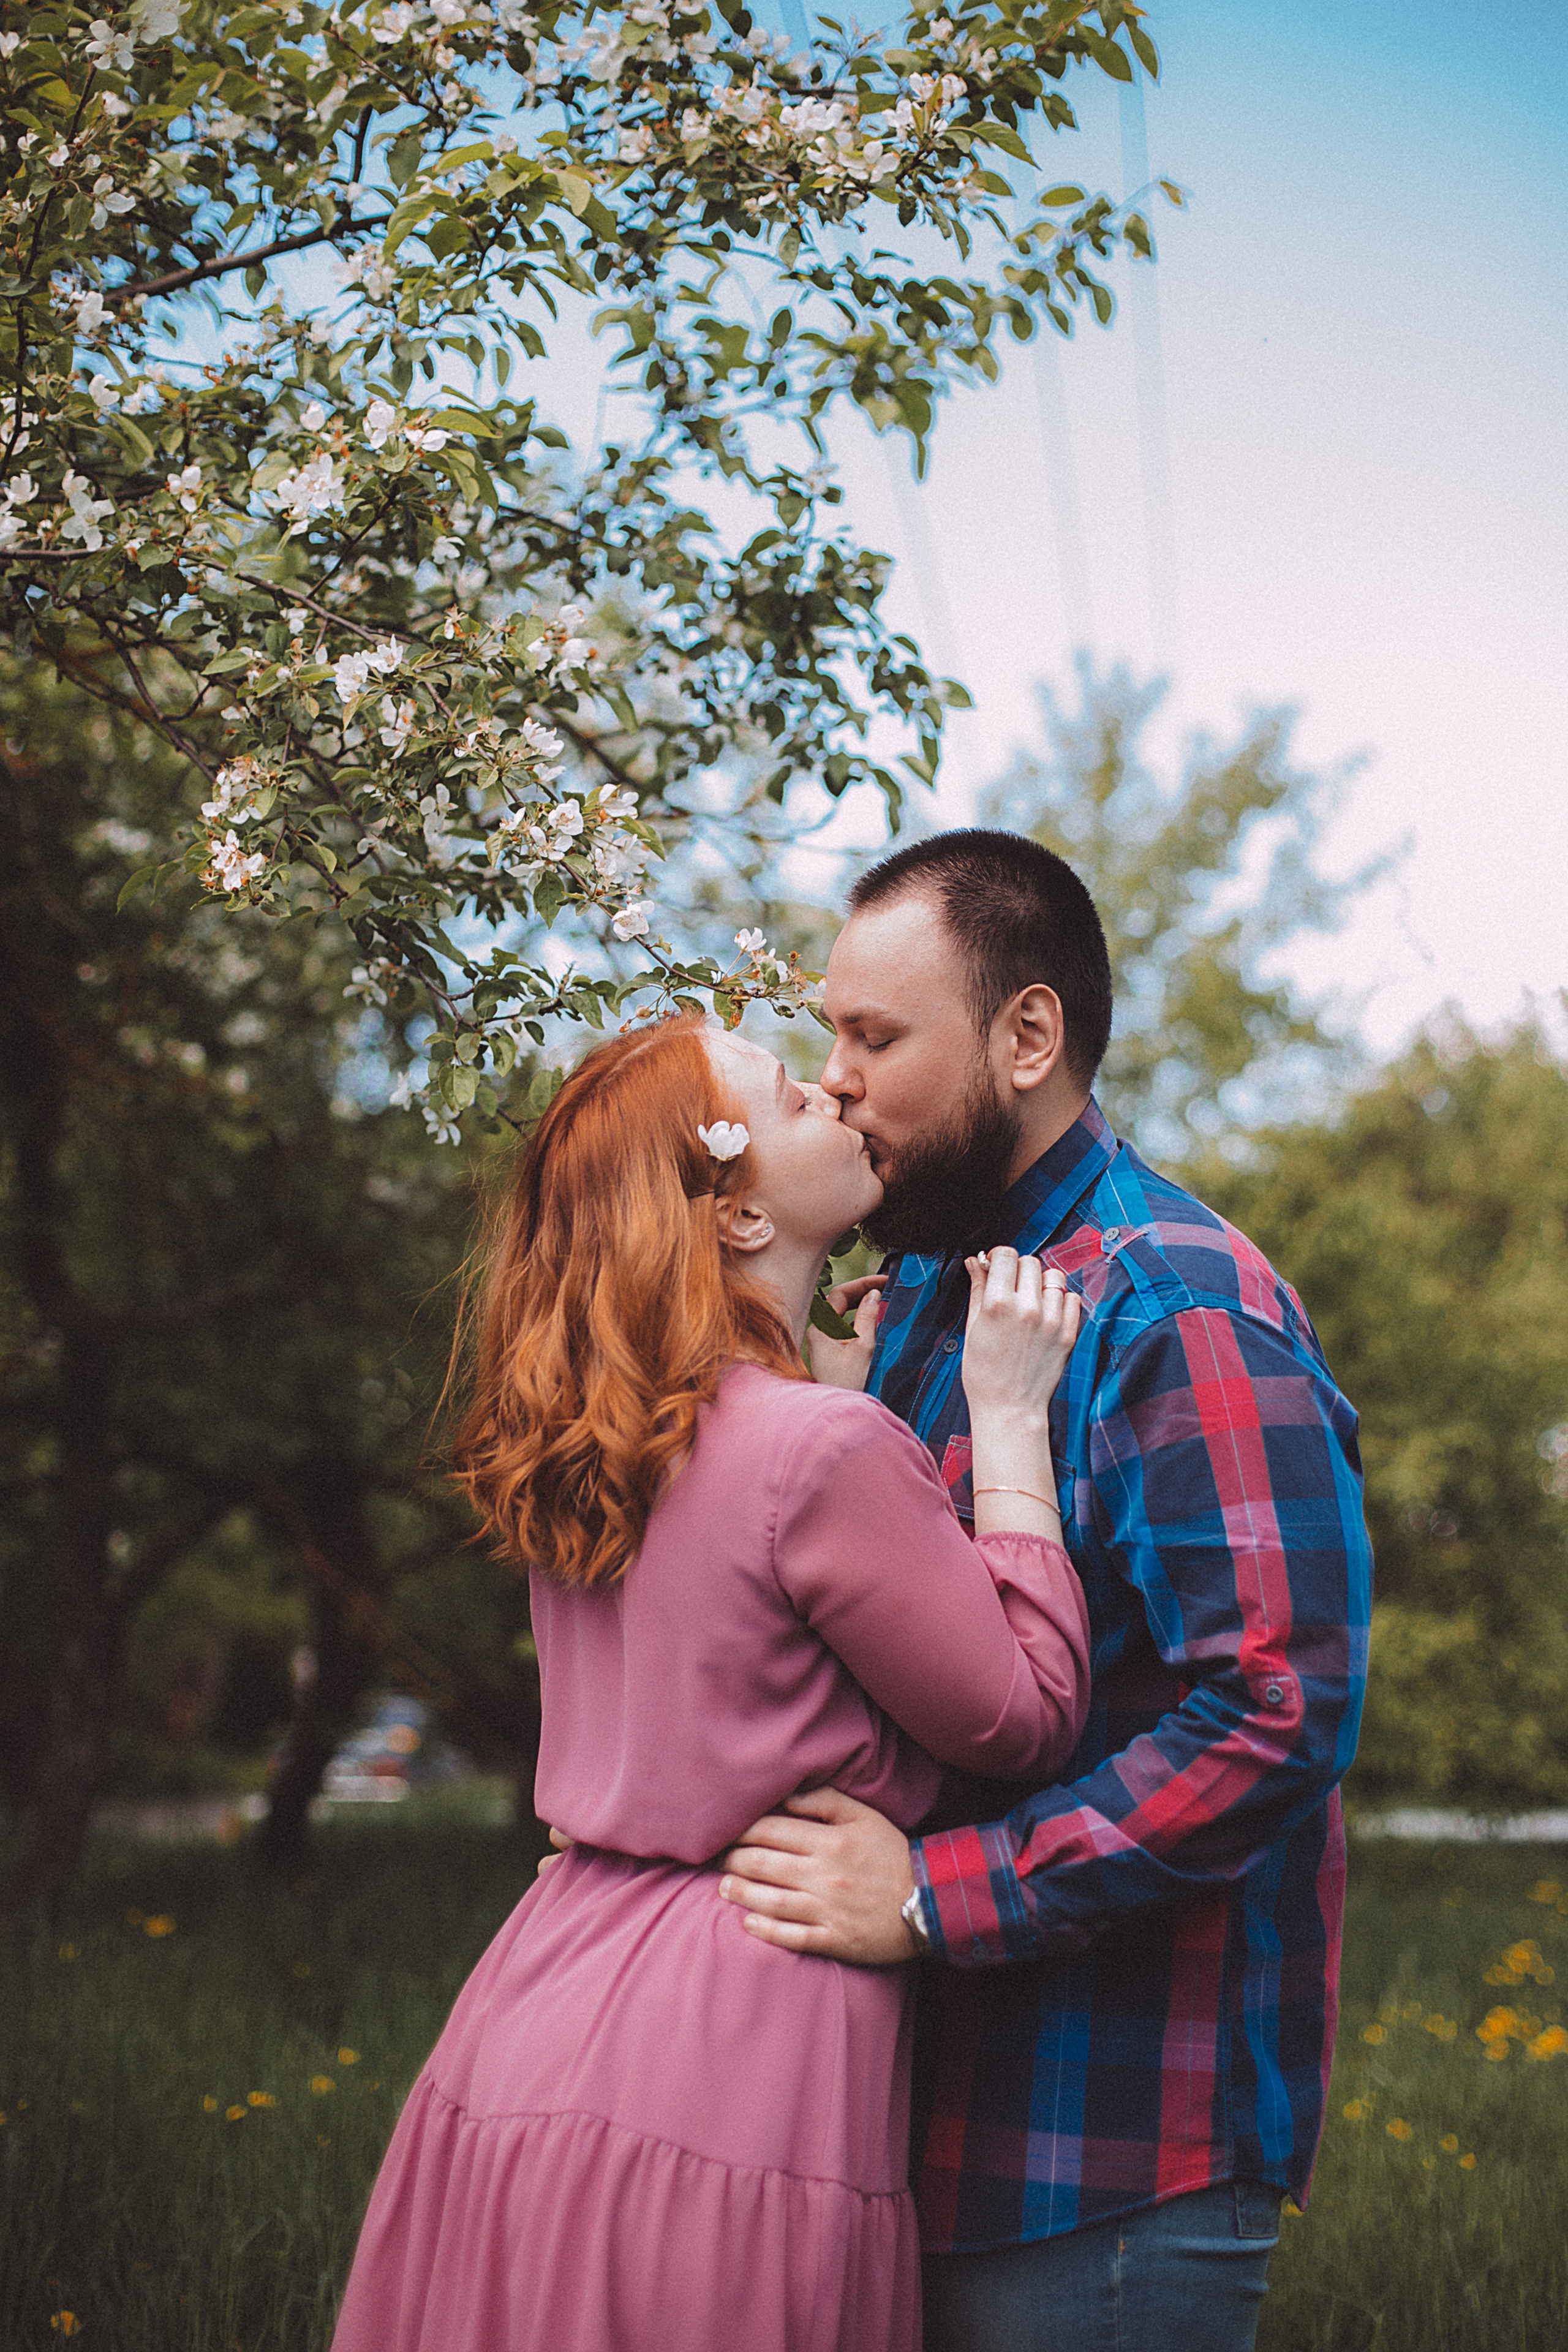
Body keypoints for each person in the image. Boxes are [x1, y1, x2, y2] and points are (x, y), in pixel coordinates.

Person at [330, 1011, 1093, 2352]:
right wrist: (1011, 1417)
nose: (840, 1103)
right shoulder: (819, 1450)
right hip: (738, 2036)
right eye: (797, 1099)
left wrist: (827, 1394)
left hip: (534, 2004)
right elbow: (1024, 1713)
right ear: (736, 1220)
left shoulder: (603, 1440)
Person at [718, 829, 1374, 2352]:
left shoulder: (1170, 1305)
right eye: (830, 1032)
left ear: (1026, 1036)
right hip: (916, 2120)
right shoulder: (939, 1299)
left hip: (1106, 2152)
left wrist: (934, 1902)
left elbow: (1280, 1709)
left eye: (874, 1035)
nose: (836, 1079)